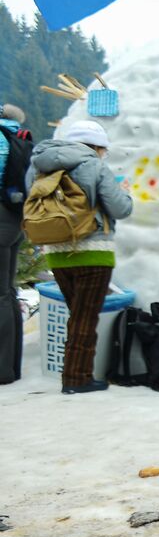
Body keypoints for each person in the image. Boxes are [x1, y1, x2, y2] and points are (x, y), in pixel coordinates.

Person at [24, 120, 133, 393]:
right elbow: (120, 209)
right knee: (85, 317)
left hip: (56, 252)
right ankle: (76, 379)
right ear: (97, 147)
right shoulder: (94, 165)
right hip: (93, 252)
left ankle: (76, 374)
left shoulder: (39, 165)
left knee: (77, 315)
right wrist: (126, 194)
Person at [0, 103, 33, 385]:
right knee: (8, 292)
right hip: (14, 220)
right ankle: (12, 366)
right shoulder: (16, 137)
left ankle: (3, 371)